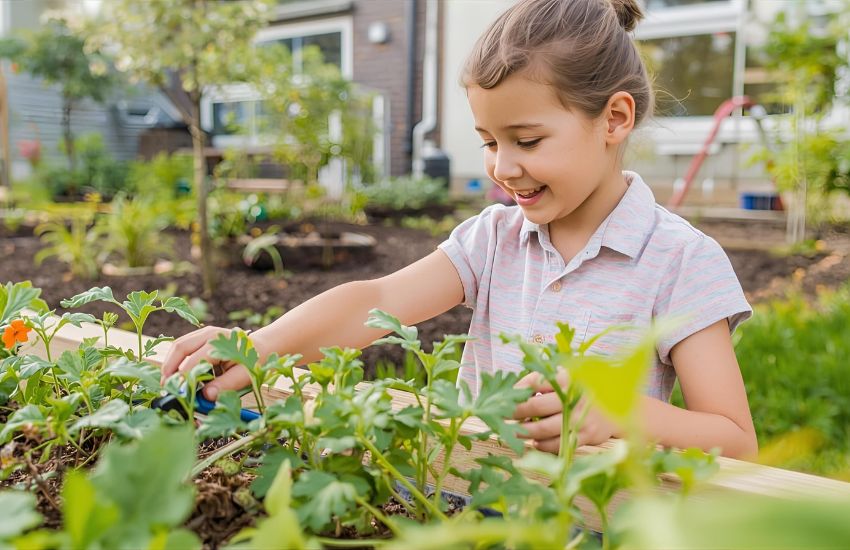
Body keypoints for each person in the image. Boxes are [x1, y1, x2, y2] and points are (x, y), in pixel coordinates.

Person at [161, 0, 757, 459]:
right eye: (489, 142)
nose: (502, 166)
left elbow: (734, 439)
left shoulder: (680, 259)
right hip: (473, 495)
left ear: (614, 119)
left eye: (527, 140)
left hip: (599, 520)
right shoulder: (494, 239)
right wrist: (261, 347)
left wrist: (620, 414)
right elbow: (378, 300)